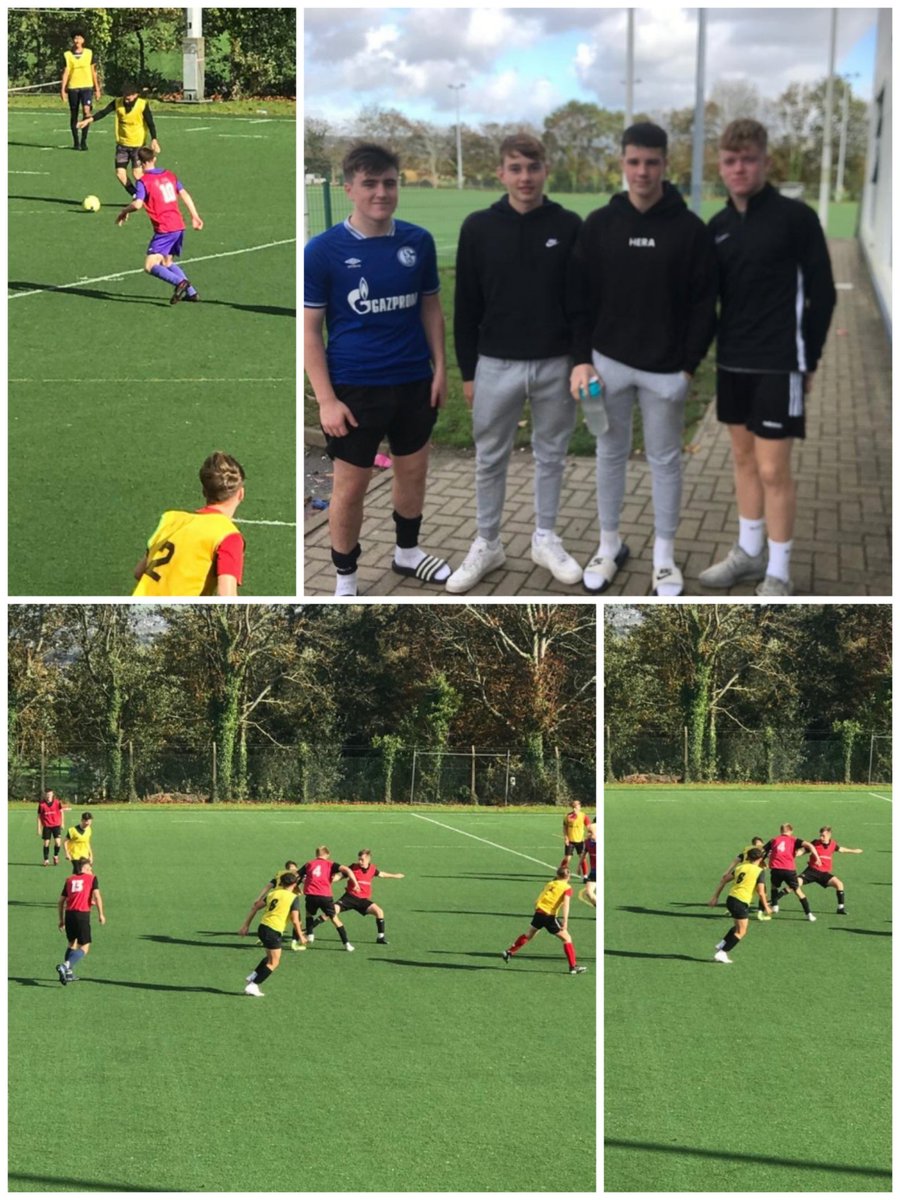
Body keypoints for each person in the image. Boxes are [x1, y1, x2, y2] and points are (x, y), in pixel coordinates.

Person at [569, 122, 717, 596]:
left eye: (651, 162)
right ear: (622, 163)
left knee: (664, 461)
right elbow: (579, 300)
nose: (642, 171)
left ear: (665, 165)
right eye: (634, 161)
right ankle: (609, 545)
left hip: (665, 373)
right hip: (607, 365)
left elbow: (703, 305)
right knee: (609, 455)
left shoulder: (689, 229)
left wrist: (688, 367)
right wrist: (581, 359)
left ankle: (665, 558)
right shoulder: (600, 224)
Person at [304, 142, 451, 597]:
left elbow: (430, 308)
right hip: (355, 389)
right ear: (349, 188)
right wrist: (326, 400)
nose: (381, 192)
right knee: (351, 486)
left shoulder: (417, 242)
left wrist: (441, 369)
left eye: (389, 183)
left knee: (413, 470)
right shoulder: (323, 251)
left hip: (413, 381)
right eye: (369, 183)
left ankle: (407, 553)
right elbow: (309, 331)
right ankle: (346, 580)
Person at [699, 119, 837, 596]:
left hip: (781, 364)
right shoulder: (716, 228)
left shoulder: (795, 219)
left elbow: (823, 294)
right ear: (720, 165)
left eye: (749, 159)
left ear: (765, 161)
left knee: (774, 469)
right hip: (733, 362)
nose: (739, 168)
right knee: (742, 460)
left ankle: (779, 570)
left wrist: (810, 359)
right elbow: (705, 300)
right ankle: (749, 553)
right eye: (731, 160)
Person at [447, 133, 583, 593]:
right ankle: (488, 542)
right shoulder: (478, 227)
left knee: (552, 456)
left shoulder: (568, 225)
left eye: (533, 167)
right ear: (502, 173)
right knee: (489, 458)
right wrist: (468, 371)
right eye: (516, 168)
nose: (525, 177)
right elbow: (466, 305)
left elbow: (584, 303)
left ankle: (544, 537)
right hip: (495, 365)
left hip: (556, 364)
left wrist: (582, 361)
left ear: (546, 170)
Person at [132, 452, 245, 597]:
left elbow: (139, 572)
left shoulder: (171, 520)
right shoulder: (228, 536)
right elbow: (226, 597)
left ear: (204, 492)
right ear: (241, 493)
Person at [115, 146, 202, 302]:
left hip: (165, 228)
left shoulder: (144, 181)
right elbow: (184, 194)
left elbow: (137, 204)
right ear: (154, 159)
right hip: (178, 225)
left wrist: (124, 210)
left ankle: (180, 282)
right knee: (167, 262)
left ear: (140, 163)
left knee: (149, 265)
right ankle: (192, 293)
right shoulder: (169, 175)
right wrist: (195, 216)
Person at [76, 81, 160, 194]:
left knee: (137, 174)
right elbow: (103, 112)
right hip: (122, 145)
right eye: (125, 94)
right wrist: (88, 120)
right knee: (120, 174)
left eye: (129, 95)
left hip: (138, 145)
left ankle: (150, 194)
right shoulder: (117, 102)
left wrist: (154, 139)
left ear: (136, 95)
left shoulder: (142, 105)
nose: (126, 97)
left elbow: (150, 123)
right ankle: (136, 195)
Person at [502, 867, 586, 974]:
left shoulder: (550, 883)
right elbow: (566, 905)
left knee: (528, 935)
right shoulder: (567, 887)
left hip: (539, 912)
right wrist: (565, 921)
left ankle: (509, 952)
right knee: (567, 939)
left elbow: (540, 897)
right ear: (568, 876)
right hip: (549, 916)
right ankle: (573, 966)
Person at [312, 848, 404, 945]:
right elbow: (340, 876)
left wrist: (395, 876)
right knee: (330, 912)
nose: (360, 861)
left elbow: (382, 874)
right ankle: (308, 930)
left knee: (379, 912)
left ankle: (380, 938)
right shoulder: (353, 867)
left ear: (368, 859)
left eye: (362, 860)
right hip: (349, 898)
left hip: (362, 900)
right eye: (359, 859)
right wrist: (330, 879)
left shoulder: (372, 869)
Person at [239, 872, 305, 997]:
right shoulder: (293, 898)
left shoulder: (273, 893)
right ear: (294, 884)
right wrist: (301, 936)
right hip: (273, 930)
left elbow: (255, 907)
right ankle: (253, 985)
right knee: (274, 962)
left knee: (270, 956)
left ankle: (253, 976)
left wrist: (246, 925)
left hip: (263, 927)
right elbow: (296, 920)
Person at [707, 847, 771, 962]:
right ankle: (722, 952)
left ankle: (722, 944)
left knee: (737, 926)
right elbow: (761, 892)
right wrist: (766, 907)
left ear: (748, 857)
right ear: (760, 859)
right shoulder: (759, 871)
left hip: (731, 899)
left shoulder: (740, 867)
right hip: (740, 902)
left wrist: (715, 897)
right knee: (742, 931)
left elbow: (724, 880)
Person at [298, 846, 360, 951]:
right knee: (335, 919)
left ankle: (310, 935)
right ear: (327, 854)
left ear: (316, 854)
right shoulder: (330, 864)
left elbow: (297, 875)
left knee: (309, 913)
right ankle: (347, 944)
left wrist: (296, 886)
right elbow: (348, 870)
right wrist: (356, 883)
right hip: (325, 896)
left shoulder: (309, 863)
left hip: (311, 895)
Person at [56, 859, 105, 984]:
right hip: (82, 915)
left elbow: (61, 901)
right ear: (83, 869)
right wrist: (101, 914)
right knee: (85, 946)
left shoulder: (69, 880)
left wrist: (61, 920)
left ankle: (68, 973)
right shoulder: (92, 878)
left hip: (69, 915)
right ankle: (65, 966)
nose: (91, 871)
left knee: (71, 943)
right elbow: (97, 896)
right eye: (89, 868)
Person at [242, 861, 307, 950]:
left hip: (274, 897)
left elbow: (268, 886)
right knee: (297, 921)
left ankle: (263, 938)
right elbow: (303, 882)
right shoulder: (296, 875)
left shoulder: (279, 875)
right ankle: (294, 942)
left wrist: (259, 897)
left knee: (272, 916)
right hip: (287, 899)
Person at [763, 823, 822, 920]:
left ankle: (775, 906)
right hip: (789, 870)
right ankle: (809, 914)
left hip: (776, 869)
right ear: (790, 831)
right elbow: (810, 846)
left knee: (774, 886)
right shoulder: (794, 839)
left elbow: (763, 851)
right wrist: (817, 858)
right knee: (798, 891)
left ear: (781, 831)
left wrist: (762, 861)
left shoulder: (774, 839)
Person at [798, 826, 862, 915]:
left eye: (823, 836)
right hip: (811, 871)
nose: (821, 837)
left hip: (823, 874)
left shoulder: (833, 844)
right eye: (820, 835)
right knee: (794, 884)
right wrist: (796, 853)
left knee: (839, 884)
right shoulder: (815, 843)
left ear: (829, 835)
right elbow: (803, 850)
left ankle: (840, 908)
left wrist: (854, 851)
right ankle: (774, 901)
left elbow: (841, 849)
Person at [61, 30, 100, 151]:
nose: (77, 41)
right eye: (75, 38)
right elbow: (66, 72)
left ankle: (84, 141)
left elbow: (93, 71)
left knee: (86, 111)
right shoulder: (67, 55)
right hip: (73, 88)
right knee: (74, 114)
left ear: (83, 40)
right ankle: (76, 142)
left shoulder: (89, 53)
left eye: (79, 38)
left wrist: (97, 88)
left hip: (87, 87)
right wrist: (63, 89)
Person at [37, 789, 71, 866]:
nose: (48, 796)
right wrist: (39, 828)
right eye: (47, 794)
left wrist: (62, 823)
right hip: (46, 826)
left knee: (58, 842)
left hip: (56, 825)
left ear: (52, 794)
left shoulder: (57, 802)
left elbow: (61, 812)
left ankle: (55, 856)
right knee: (46, 843)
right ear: (45, 795)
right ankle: (46, 860)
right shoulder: (41, 804)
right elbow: (39, 816)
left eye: (50, 794)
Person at [560, 799, 589, 871]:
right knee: (567, 858)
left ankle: (585, 875)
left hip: (580, 841)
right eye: (574, 806)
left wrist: (588, 837)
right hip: (570, 841)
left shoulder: (583, 816)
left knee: (583, 858)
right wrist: (566, 837)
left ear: (580, 806)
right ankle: (561, 871)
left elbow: (589, 827)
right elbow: (565, 827)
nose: (575, 807)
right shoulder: (568, 816)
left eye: (577, 805)